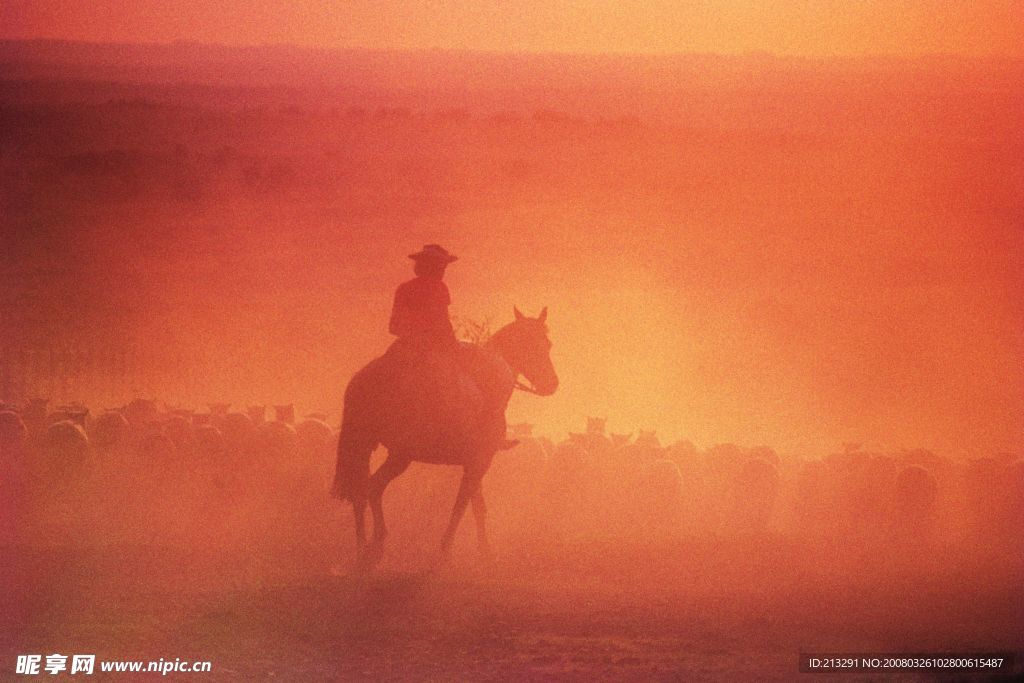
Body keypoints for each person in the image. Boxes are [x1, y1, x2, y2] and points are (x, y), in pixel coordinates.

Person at [385, 245, 515, 451]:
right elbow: (442, 323)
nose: (443, 270)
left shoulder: (404, 288)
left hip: (402, 346)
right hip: (430, 349)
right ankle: (461, 430)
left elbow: (394, 326)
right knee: (459, 385)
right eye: (441, 266)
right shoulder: (438, 288)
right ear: (433, 267)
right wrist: (452, 346)